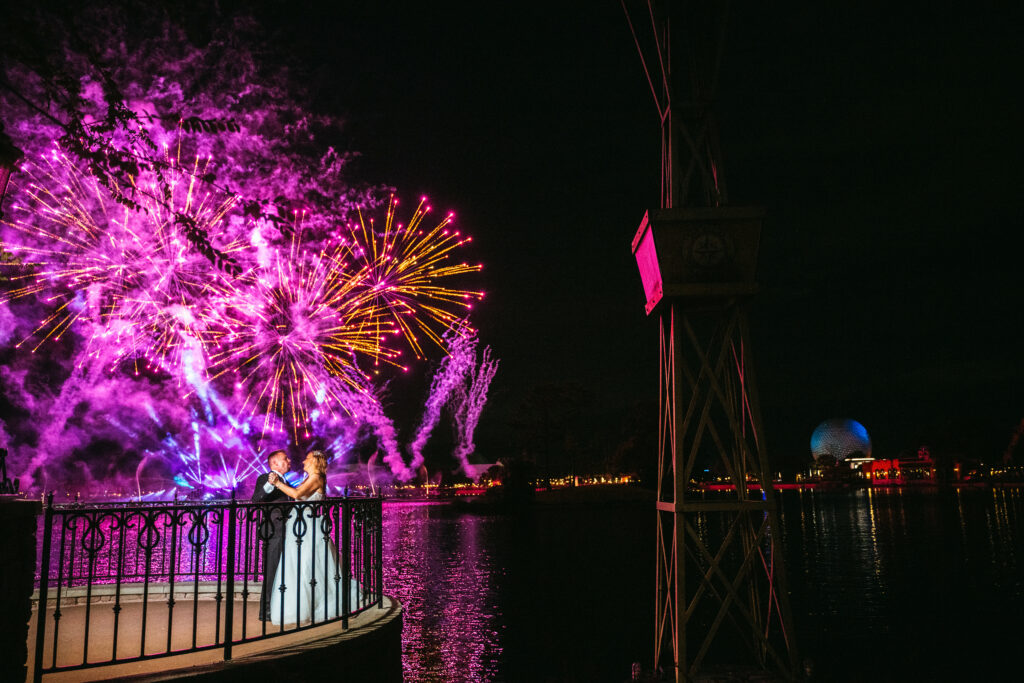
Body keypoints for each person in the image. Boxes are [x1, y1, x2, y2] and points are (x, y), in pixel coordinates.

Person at [267, 450, 360, 625]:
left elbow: (297, 494)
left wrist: (277, 483)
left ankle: (314, 605)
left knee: (309, 565)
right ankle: (303, 606)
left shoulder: (316, 477)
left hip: (309, 527)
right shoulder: (310, 477)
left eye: (307, 458)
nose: (303, 461)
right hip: (301, 526)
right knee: (300, 566)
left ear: (315, 461)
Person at [251, 449, 291, 622]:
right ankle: (266, 611)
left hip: (286, 530)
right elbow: (256, 499)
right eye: (285, 459)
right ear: (274, 463)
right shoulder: (264, 478)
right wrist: (270, 484)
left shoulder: (286, 481)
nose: (289, 461)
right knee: (272, 570)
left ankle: (279, 606)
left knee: (283, 569)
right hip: (273, 530)